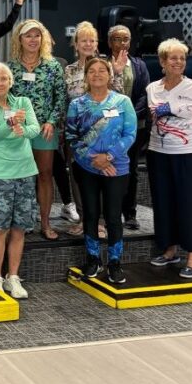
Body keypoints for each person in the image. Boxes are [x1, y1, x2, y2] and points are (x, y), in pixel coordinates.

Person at [146, 38, 192, 279]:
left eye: (182, 58)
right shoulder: (152, 89)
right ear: (163, 61)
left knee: (191, 205)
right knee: (164, 203)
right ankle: (169, 250)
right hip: (158, 154)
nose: (178, 62)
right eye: (173, 58)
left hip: (190, 155)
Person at [65, 58, 137, 284]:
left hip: (117, 168)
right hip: (87, 168)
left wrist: (108, 157)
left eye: (102, 71)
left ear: (110, 75)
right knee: (91, 214)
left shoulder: (123, 102)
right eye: (92, 71)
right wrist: (93, 160)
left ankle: (115, 262)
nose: (97, 75)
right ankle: (93, 258)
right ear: (86, 76)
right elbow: (70, 137)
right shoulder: (77, 104)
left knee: (114, 216)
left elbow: (130, 134)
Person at [0, 62, 40, 299]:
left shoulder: (23, 103)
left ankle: (14, 277)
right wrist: (10, 123)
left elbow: (34, 128)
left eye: (4, 78)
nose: (0, 83)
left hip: (24, 171)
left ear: (10, 81)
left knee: (19, 228)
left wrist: (25, 130)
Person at [8, 20, 67, 240]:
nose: (33, 40)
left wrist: (51, 121)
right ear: (19, 40)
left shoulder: (53, 66)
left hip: (44, 130)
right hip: (18, 132)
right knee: (21, 178)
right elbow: (5, 98)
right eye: (28, 36)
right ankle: (22, 222)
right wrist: (11, 122)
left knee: (44, 175)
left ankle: (44, 223)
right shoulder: (11, 67)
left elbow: (60, 97)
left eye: (37, 35)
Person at [62, 21, 122, 233]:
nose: (88, 44)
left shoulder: (106, 67)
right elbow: (66, 102)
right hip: (77, 133)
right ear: (76, 44)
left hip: (104, 133)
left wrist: (118, 73)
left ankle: (101, 222)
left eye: (92, 40)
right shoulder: (68, 71)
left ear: (97, 44)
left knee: (102, 174)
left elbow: (118, 97)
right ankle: (84, 220)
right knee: (78, 177)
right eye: (83, 40)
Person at [108, 24, 151, 230]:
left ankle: (130, 213)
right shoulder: (102, 63)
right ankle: (110, 212)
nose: (122, 43)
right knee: (110, 169)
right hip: (107, 127)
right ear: (110, 42)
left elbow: (145, 93)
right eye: (117, 39)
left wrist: (130, 113)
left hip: (135, 126)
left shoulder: (139, 65)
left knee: (130, 170)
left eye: (126, 39)